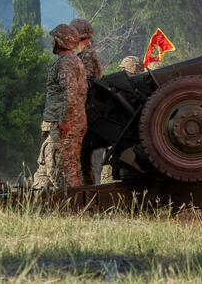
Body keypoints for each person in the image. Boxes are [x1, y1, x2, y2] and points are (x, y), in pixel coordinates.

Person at [32, 23, 86, 190]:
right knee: (66, 165)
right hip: (70, 121)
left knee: (61, 168)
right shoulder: (73, 61)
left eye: (54, 40)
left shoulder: (66, 63)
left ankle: (73, 203)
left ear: (61, 41)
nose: (52, 43)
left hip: (65, 123)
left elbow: (69, 92)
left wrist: (64, 120)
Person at [98, 56, 142, 183]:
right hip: (117, 149)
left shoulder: (138, 93)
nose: (122, 72)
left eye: (125, 70)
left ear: (133, 72)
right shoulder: (121, 91)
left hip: (129, 151)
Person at [71, 18, 101, 185]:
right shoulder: (87, 55)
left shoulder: (87, 55)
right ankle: (87, 190)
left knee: (81, 158)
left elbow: (86, 83)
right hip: (87, 111)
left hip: (85, 111)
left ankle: (86, 192)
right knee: (84, 159)